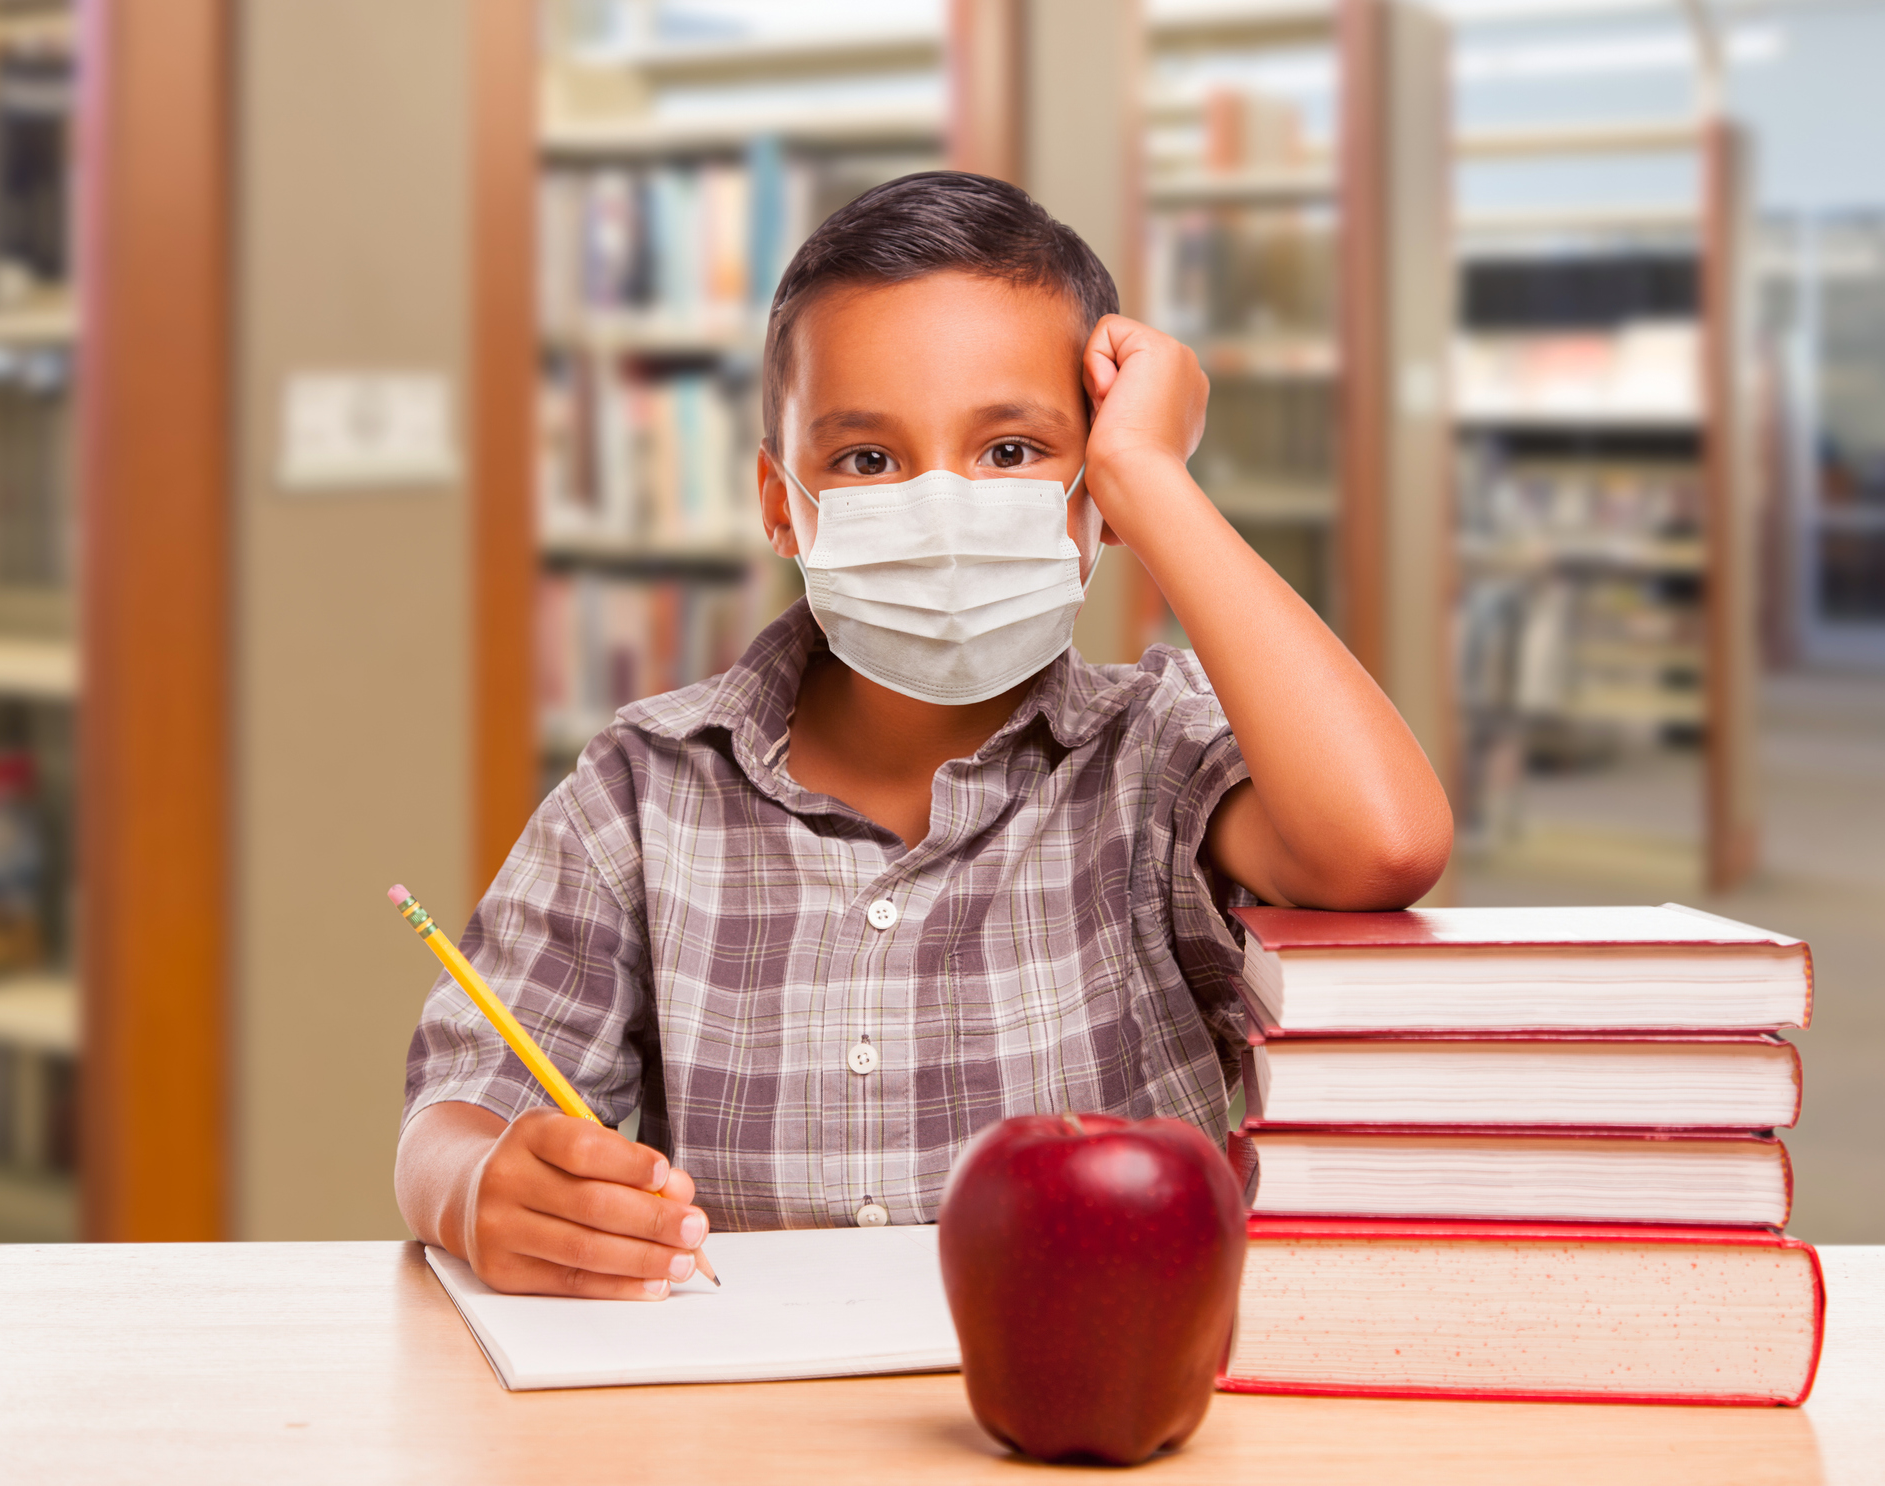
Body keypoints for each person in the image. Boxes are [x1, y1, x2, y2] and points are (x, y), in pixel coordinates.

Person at [395, 171, 1452, 1298]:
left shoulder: (1159, 753)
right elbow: (457, 1112)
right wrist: (477, 1188)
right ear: (776, 502)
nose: (942, 510)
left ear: (1091, 484)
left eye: (1011, 452)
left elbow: (1381, 845)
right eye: (866, 459)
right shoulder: (643, 790)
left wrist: (1154, 479)